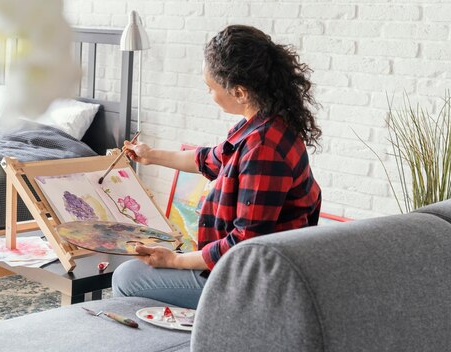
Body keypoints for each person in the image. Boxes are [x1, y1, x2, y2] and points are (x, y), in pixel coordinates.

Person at [112, 25, 322, 309]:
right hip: (241, 266)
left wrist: (175, 261)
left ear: (239, 92)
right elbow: (208, 159)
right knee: (135, 271)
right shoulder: (262, 125)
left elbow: (243, 244)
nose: (209, 94)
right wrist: (150, 155)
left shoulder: (263, 148)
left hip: (253, 282)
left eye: (210, 87)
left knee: (127, 278)